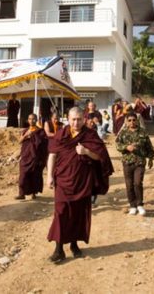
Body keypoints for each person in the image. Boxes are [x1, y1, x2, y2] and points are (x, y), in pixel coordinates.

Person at [46, 107, 114, 263]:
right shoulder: (61, 135)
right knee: (61, 213)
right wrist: (49, 176)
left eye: (79, 119)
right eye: (73, 119)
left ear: (83, 119)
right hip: (63, 181)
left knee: (78, 214)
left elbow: (101, 156)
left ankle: (74, 245)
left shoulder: (90, 135)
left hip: (82, 181)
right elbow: (52, 155)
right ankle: (58, 249)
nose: (76, 122)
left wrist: (86, 152)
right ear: (68, 119)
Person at [116, 112, 154, 216]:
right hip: (127, 162)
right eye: (129, 120)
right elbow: (118, 146)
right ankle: (132, 206)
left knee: (137, 183)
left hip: (140, 162)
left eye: (134, 120)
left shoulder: (142, 132)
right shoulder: (123, 133)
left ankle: (140, 204)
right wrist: (126, 147)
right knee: (129, 186)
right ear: (126, 122)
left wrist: (151, 159)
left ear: (137, 121)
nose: (132, 122)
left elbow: (149, 147)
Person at [16, 113, 49, 200]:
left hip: (35, 157)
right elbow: (20, 141)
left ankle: (33, 193)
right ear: (28, 120)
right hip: (26, 156)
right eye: (30, 119)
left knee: (34, 175)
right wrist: (26, 135)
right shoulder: (25, 130)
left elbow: (44, 145)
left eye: (33, 119)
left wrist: (35, 136)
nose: (32, 121)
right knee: (23, 175)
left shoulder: (40, 131)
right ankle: (21, 193)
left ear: (36, 120)